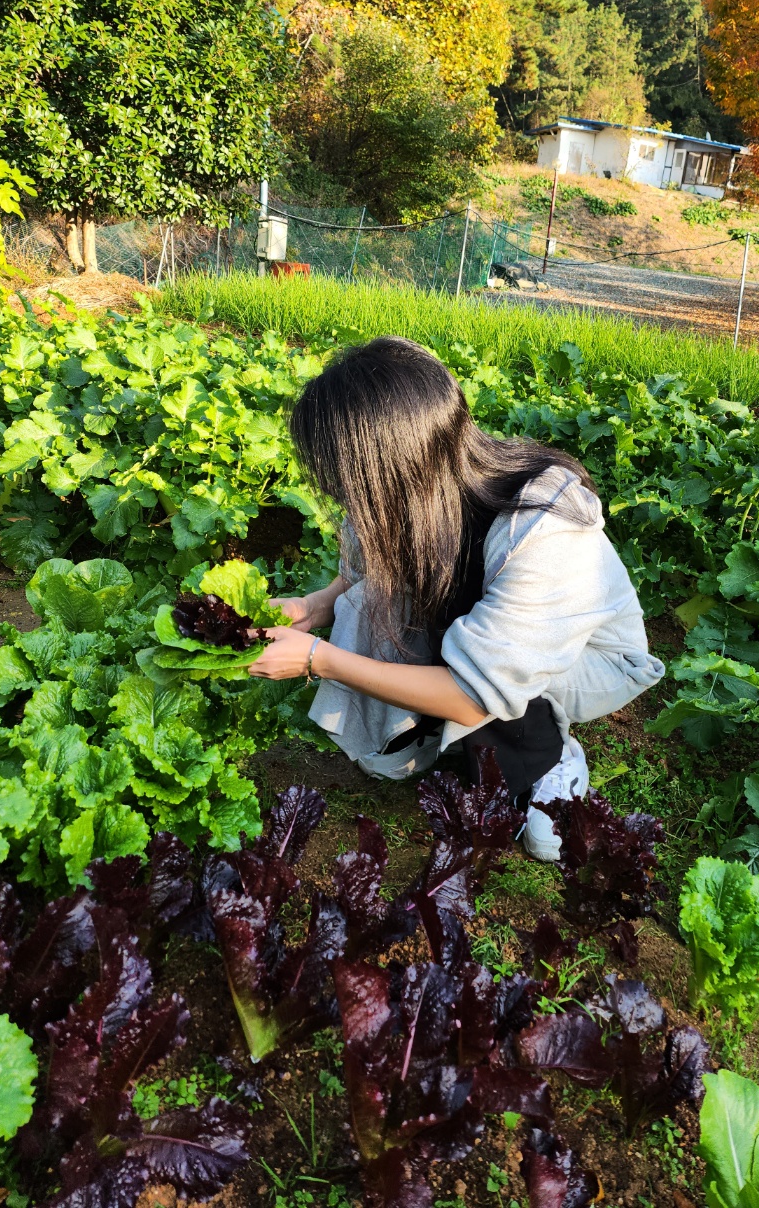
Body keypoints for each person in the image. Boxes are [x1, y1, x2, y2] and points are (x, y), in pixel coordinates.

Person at [248, 336, 664, 862]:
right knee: (379, 607)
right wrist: (315, 605)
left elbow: (472, 691)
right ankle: (459, 738)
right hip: (482, 636)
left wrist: (320, 660)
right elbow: (367, 574)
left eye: (352, 483)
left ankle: (546, 761)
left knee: (539, 825)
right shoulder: (420, 495)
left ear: (397, 468)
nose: (344, 497)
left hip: (586, 662)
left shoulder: (543, 528)